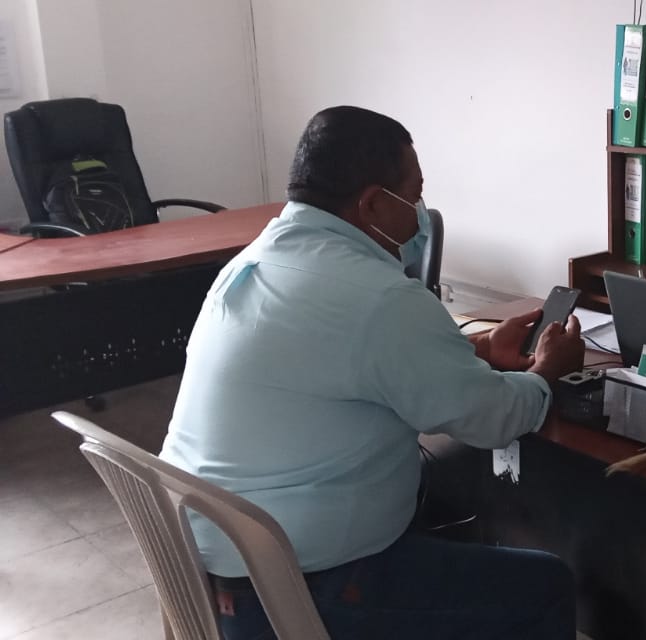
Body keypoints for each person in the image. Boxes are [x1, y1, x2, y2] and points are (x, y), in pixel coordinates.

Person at [159, 106, 584, 639]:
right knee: (544, 586)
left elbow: (338, 358)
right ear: (373, 204)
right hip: (294, 591)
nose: (420, 212)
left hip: (206, 564)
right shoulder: (380, 298)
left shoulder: (253, 262)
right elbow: (494, 419)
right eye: (414, 194)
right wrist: (548, 372)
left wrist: (474, 348)